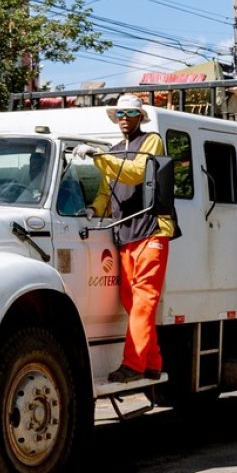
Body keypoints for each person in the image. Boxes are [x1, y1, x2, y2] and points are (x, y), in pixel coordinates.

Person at [74, 94, 174, 383]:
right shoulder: (115, 150)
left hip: (152, 230)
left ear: (139, 116)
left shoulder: (151, 140)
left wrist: (99, 157)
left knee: (143, 301)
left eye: (131, 112)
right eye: (120, 113)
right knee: (132, 302)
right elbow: (107, 193)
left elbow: (135, 174)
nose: (125, 118)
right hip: (126, 233)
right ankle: (152, 362)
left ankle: (133, 365)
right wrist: (92, 209)